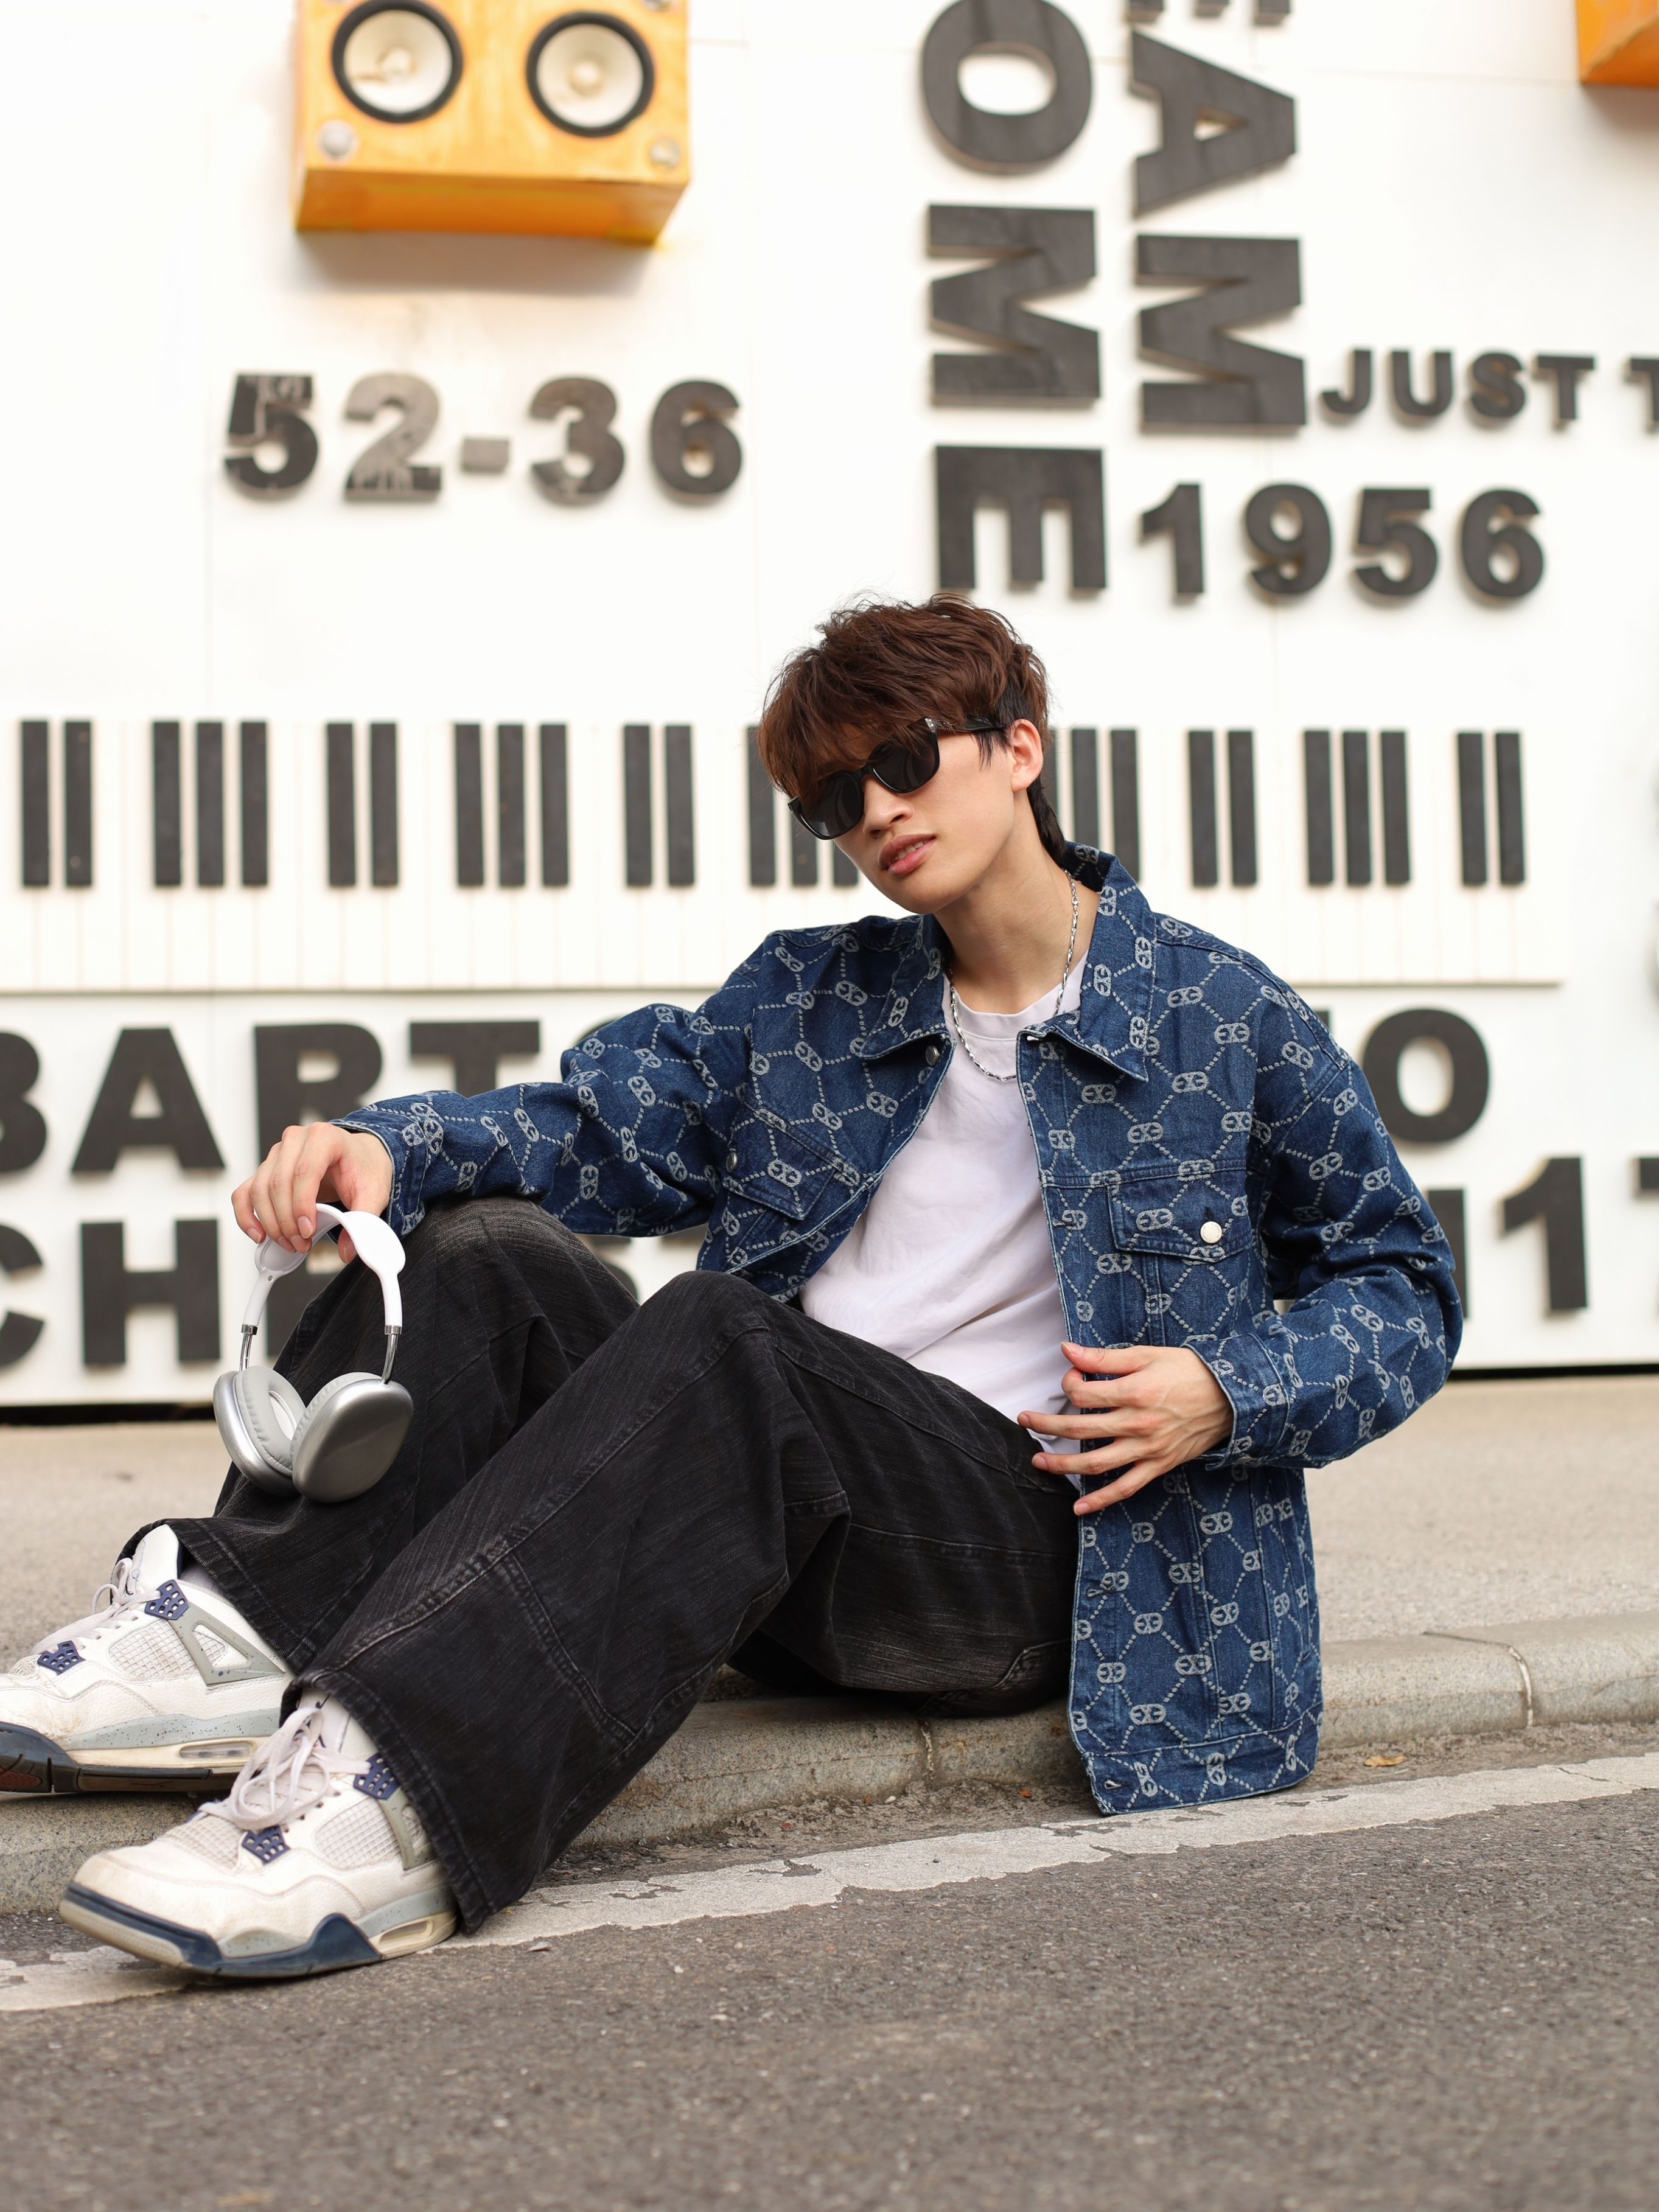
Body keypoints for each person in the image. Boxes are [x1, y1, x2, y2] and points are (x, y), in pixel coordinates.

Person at [0, 596, 1461, 1980]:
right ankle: (237, 1632)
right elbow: (600, 1127)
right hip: (789, 1514)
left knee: (726, 1336)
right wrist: (391, 1147)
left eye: (904, 761)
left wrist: (1227, 1391)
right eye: (833, 798)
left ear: (1020, 748)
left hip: (1040, 1554)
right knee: (490, 1249)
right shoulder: (816, 1000)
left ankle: (392, 1804)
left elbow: (1401, 1282)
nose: (875, 812)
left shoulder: (1220, 1017)